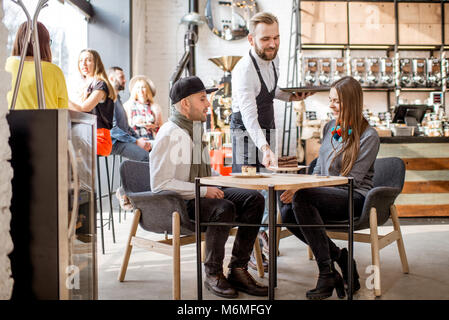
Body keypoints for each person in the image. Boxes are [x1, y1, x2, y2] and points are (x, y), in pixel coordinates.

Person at [150, 76, 268, 299]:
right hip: (180, 204)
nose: (208, 104)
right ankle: (213, 273)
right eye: (202, 99)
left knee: (254, 198)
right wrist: (205, 191)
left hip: (198, 194)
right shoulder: (169, 133)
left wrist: (231, 181)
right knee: (223, 207)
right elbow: (160, 184)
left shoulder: (194, 130)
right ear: (185, 104)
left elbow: (207, 174)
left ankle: (238, 269)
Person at [280, 76, 380, 300]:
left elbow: (350, 179)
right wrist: (299, 187)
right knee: (285, 207)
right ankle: (339, 258)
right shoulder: (330, 127)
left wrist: (305, 190)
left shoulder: (368, 136)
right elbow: (319, 168)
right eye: (331, 100)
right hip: (326, 193)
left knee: (302, 198)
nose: (331, 105)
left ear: (352, 102)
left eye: (337, 101)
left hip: (352, 197)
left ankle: (326, 273)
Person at [230, 12, 312, 268]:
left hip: (268, 126)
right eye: (266, 39)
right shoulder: (243, 69)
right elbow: (249, 116)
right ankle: (247, 254)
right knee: (250, 193)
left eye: (276, 37)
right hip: (245, 131)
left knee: (268, 187)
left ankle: (262, 240)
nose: (273, 44)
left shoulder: (273, 61)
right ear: (251, 39)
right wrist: (264, 147)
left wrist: (292, 97)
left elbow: (270, 91)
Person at [107, 67, 152, 210]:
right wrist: (135, 141)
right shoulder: (108, 99)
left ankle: (132, 194)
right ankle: (125, 192)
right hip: (114, 143)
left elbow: (126, 127)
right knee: (145, 158)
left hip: (124, 140)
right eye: (121, 77)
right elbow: (114, 130)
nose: (125, 80)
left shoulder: (117, 99)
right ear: (112, 79)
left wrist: (139, 139)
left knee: (153, 155)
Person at [6, 21, 68, 110]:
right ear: (45, 44)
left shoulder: (5, 65)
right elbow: (63, 111)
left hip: (8, 123)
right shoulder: (54, 71)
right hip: (47, 123)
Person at [69, 49, 116, 157]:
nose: (83, 64)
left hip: (99, 138)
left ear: (96, 64)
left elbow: (84, 108)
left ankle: (78, 174)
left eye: (88, 60)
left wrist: (61, 96)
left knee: (64, 145)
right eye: (81, 61)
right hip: (84, 134)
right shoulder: (82, 86)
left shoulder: (100, 85)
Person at [124, 75, 163, 141]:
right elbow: (123, 126)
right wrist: (133, 123)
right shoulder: (128, 106)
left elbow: (161, 129)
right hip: (134, 141)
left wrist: (153, 127)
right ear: (134, 90)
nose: (141, 90)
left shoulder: (155, 108)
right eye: (138, 87)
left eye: (143, 87)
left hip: (151, 141)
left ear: (147, 90)